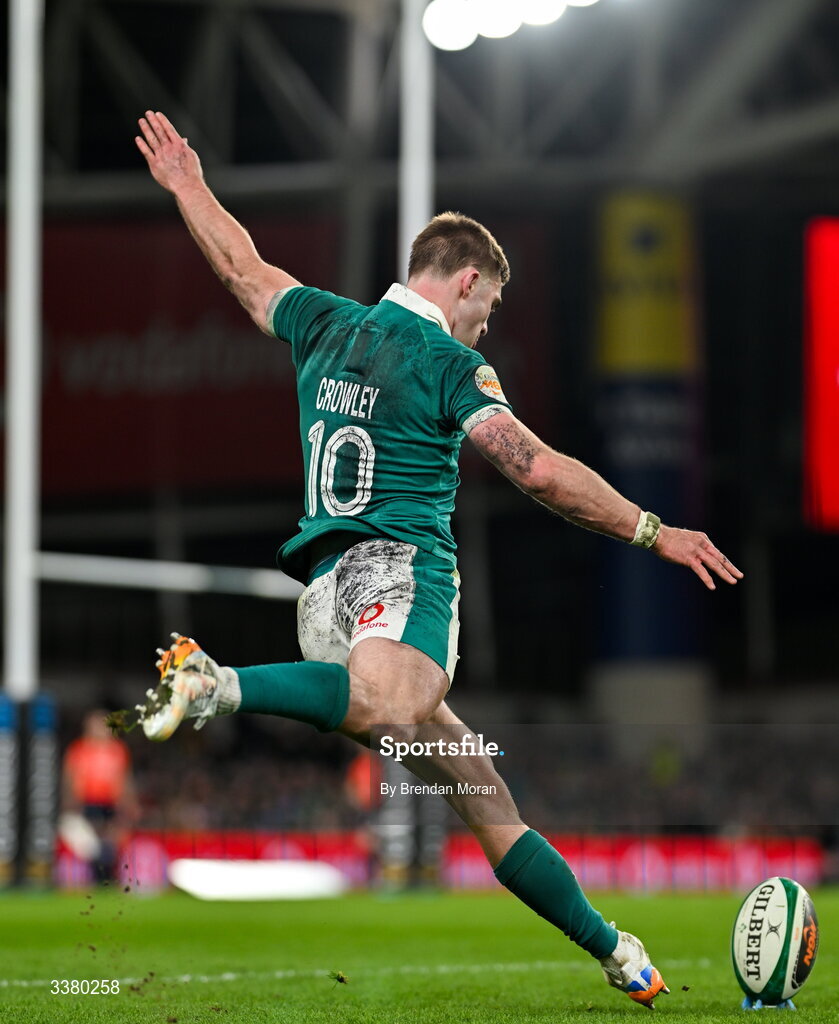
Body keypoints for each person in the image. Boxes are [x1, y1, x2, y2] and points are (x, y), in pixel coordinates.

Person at [126, 110, 743, 1009]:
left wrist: (190, 187)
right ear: (463, 282)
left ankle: (616, 951)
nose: (483, 329)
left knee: (482, 791)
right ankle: (216, 684)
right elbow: (535, 470)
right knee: (387, 704)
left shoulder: (326, 323)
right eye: (485, 310)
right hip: (397, 577)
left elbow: (243, 269)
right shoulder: (445, 360)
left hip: (324, 602)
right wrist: (653, 530)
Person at [62, 708, 139, 882]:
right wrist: (71, 802)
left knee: (111, 844)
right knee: (90, 845)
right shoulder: (79, 749)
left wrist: (129, 803)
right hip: (87, 803)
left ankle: (109, 879)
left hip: (110, 804)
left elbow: (124, 779)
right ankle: (95, 878)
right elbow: (70, 778)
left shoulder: (118, 750)